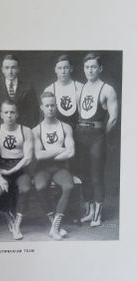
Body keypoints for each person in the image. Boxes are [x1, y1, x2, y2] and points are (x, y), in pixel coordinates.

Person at [76, 53, 118, 227]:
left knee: (96, 176)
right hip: (80, 135)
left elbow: (113, 117)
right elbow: (79, 113)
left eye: (93, 67)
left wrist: (102, 134)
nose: (90, 70)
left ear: (100, 68)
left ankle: (98, 215)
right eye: (87, 67)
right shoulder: (81, 88)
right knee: (84, 175)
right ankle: (89, 212)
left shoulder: (107, 89)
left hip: (97, 136)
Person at [0, 100, 33, 240]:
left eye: (12, 112)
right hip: (2, 167)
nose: (9, 116)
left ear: (17, 114)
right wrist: (0, 177)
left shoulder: (26, 130)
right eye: (6, 112)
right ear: (1, 114)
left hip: (20, 167)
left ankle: (17, 225)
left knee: (25, 189)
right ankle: (9, 218)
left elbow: (28, 158)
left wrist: (12, 171)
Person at [33, 92, 75, 240]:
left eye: (52, 105)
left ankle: (54, 228)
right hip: (42, 168)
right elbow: (38, 155)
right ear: (42, 108)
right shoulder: (36, 130)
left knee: (69, 186)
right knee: (39, 186)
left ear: (56, 106)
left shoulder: (66, 127)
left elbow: (71, 152)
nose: (50, 108)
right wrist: (59, 149)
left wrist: (50, 154)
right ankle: (56, 226)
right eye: (47, 106)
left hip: (60, 167)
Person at [0, 54, 39, 128]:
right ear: (2, 70)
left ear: (18, 69)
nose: (10, 71)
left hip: (23, 130)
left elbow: (35, 113)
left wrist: (27, 131)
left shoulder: (28, 88)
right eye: (7, 68)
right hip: (3, 130)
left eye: (13, 68)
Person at [44, 54, 83, 129]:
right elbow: (46, 118)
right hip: (57, 131)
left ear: (71, 69)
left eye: (66, 68)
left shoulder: (80, 87)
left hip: (77, 132)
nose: (63, 71)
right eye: (59, 68)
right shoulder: (49, 89)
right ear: (55, 70)